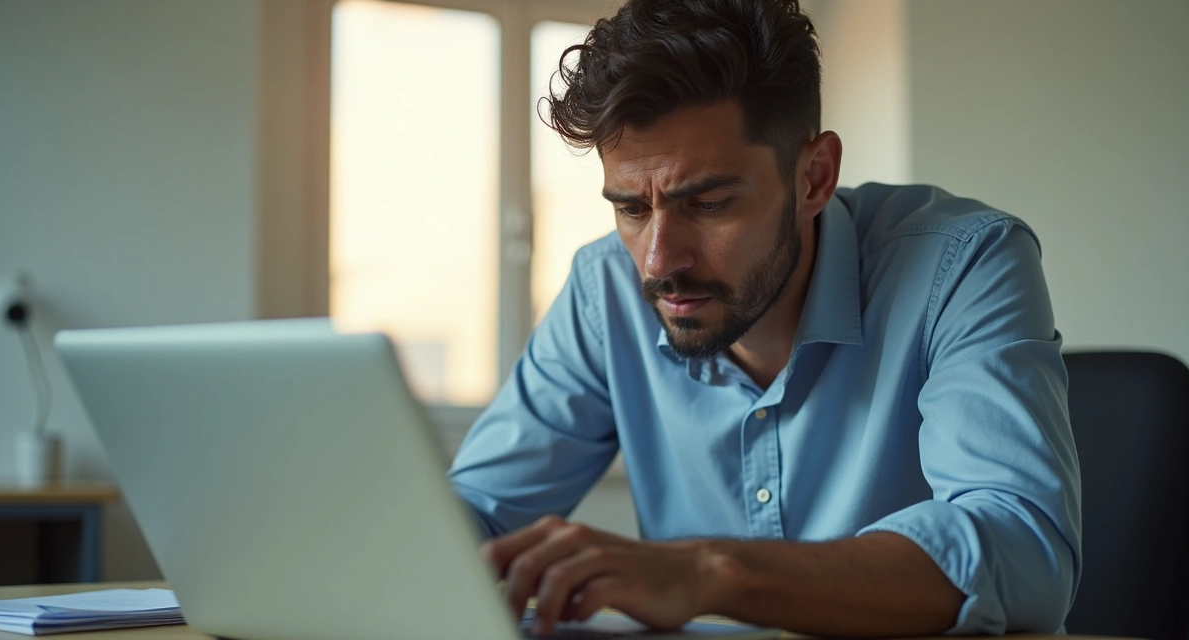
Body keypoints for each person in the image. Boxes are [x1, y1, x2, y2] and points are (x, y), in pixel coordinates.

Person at [447, 0, 1081, 636]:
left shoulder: (964, 264)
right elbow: (465, 518)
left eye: (711, 203)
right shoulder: (603, 289)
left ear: (814, 177)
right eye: (631, 210)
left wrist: (709, 571)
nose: (659, 261)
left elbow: (1023, 548)